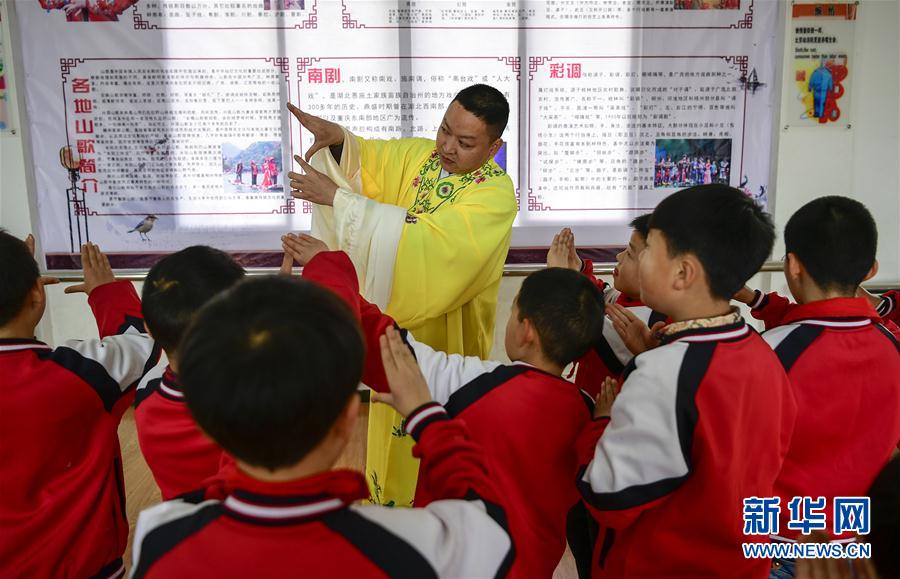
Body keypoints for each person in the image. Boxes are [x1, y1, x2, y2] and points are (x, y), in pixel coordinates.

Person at [129, 276, 514, 578]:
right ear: (348, 418)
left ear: (208, 421)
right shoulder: (413, 545)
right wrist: (425, 414)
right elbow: (488, 523)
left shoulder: (159, 535)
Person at [284, 234, 605, 578]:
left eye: (513, 313)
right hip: (531, 565)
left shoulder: (474, 383)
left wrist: (329, 267)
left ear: (526, 332)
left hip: (452, 561)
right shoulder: (588, 412)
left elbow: (386, 348)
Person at [285, 83, 517, 506]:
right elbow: (372, 161)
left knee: (433, 442)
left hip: (446, 335)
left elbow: (435, 250)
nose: (446, 147)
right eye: (444, 130)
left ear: (494, 146)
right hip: (394, 325)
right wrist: (340, 142)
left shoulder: (495, 195)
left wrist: (338, 199)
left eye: (465, 142)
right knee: (390, 426)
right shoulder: (421, 156)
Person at [576, 185, 797, 578]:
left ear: (682, 273)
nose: (636, 260)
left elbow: (609, 496)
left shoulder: (664, 373)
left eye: (648, 249)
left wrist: (599, 425)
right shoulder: (762, 353)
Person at [732, 197, 899, 577]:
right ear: (871, 270)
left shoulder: (770, 351)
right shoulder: (893, 346)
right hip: (865, 552)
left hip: (780, 549)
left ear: (792, 265)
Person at [0, 233, 160, 579]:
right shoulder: (81, 374)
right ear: (38, 292)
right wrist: (106, 292)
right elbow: (143, 343)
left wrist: (23, 291)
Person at [134, 246, 245, 500]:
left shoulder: (147, 394)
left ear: (148, 329)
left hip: (182, 531)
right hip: (254, 532)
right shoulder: (263, 396)